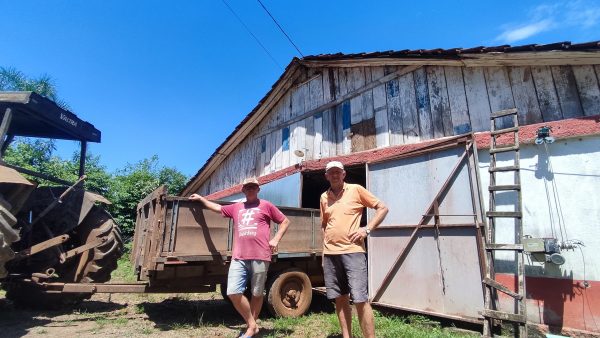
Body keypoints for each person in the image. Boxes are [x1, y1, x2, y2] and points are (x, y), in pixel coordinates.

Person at [189, 177, 290, 338]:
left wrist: (276, 239)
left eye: (253, 187)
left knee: (257, 293)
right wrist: (202, 199)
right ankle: (253, 325)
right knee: (233, 292)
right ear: (243, 190)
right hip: (239, 257)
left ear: (258, 189)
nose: (250, 189)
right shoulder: (236, 207)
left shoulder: (266, 205)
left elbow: (285, 221)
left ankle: (251, 329)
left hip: (261, 255)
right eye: (247, 187)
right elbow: (217, 208)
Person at [320, 161, 388, 338]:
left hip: (353, 252)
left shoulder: (356, 190)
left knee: (360, 299)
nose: (335, 175)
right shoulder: (323, 197)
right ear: (326, 176)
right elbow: (324, 225)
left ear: (343, 175)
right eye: (331, 173)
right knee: (340, 298)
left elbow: (382, 208)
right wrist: (323, 252)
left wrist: (366, 229)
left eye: (338, 172)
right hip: (330, 254)